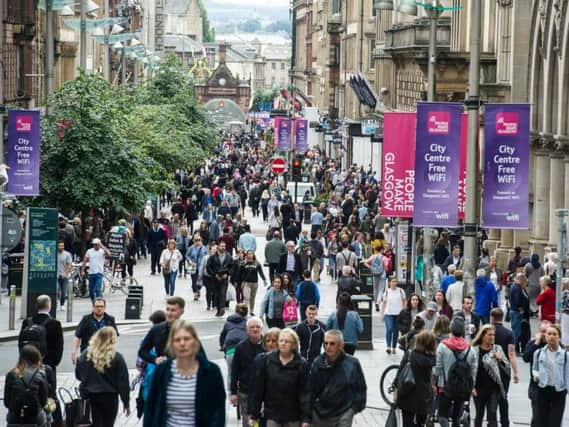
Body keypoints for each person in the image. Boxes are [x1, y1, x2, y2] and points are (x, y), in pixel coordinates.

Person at [143, 319, 226, 427]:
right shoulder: (162, 370)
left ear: (195, 342)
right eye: (177, 340)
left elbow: (218, 412)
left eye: (186, 339)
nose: (182, 343)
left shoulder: (211, 371)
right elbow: (151, 408)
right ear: (171, 344)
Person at [251, 328, 311, 427]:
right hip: (272, 415)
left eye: (287, 341)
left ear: (294, 345)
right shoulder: (268, 361)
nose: (283, 343)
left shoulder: (301, 364)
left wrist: (306, 419)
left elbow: (305, 393)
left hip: (293, 416)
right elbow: (259, 389)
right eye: (281, 341)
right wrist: (254, 414)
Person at [309, 330, 367, 426]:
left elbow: (360, 389)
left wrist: (352, 411)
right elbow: (310, 390)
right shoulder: (317, 362)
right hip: (319, 414)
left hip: (343, 414)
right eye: (325, 343)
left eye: (332, 344)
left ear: (341, 345)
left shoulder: (352, 363)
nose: (328, 347)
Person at [75, 327, 130, 426]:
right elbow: (123, 382)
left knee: (91, 424)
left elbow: (78, 375)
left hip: (89, 396)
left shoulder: (85, 355)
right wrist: (126, 402)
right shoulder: (117, 357)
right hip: (109, 397)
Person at [433, 317, 477, 427]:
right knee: (457, 417)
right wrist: (472, 387)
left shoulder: (442, 346)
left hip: (444, 387)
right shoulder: (470, 349)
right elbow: (473, 371)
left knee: (442, 416)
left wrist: (433, 383)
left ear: (451, 330)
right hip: (462, 388)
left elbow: (437, 368)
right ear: (463, 331)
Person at [394, 331, 437, 427]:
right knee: (420, 423)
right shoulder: (432, 359)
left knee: (407, 422)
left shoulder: (410, 355)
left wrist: (395, 387)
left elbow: (400, 371)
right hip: (424, 397)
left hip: (408, 394)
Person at [471, 325, 510, 427]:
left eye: (493, 335)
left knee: (492, 414)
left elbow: (507, 368)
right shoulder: (474, 350)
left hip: (494, 388)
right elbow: (469, 370)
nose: (492, 337)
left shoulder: (497, 349)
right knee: (479, 414)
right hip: (479, 388)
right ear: (483, 336)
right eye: (489, 335)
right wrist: (472, 386)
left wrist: (500, 360)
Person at [531, 324, 569, 427]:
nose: (551, 336)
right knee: (541, 422)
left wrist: (566, 389)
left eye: (554, 334)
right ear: (546, 336)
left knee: (555, 422)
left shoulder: (565, 355)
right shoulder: (538, 353)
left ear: (559, 337)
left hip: (559, 391)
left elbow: (567, 374)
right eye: (549, 334)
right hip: (543, 389)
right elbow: (534, 368)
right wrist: (536, 375)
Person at [4, 345, 50, 427]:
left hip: (15, 418)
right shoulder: (40, 374)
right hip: (35, 418)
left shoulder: (11, 374)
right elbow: (43, 402)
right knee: (47, 415)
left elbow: (7, 402)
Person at [230, 317, 264, 427]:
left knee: (262, 421)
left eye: (257, 327)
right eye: (252, 327)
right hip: (246, 391)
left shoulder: (268, 345)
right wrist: (233, 392)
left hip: (265, 392)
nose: (255, 329)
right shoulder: (240, 348)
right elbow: (234, 371)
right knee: (249, 422)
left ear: (262, 329)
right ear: (247, 330)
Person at [18, 295, 64, 374]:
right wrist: (54, 363)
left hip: (28, 363)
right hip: (48, 363)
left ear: (37, 306)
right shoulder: (55, 323)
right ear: (49, 305)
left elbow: (20, 342)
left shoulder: (27, 322)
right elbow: (59, 346)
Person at [490, 308, 519, 427]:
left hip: (490, 369)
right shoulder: (509, 333)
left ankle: (492, 422)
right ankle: (504, 422)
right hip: (504, 369)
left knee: (490, 397)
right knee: (503, 397)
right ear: (502, 317)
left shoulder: (488, 332)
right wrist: (516, 372)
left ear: (492, 317)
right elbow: (511, 354)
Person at [247, 327, 281, 424]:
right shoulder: (259, 359)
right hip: (262, 408)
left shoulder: (287, 361)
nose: (270, 343)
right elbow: (253, 387)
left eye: (274, 341)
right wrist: (251, 411)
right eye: (268, 341)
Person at [138, 297, 185, 365]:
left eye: (173, 310)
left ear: (182, 312)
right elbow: (142, 351)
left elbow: (199, 355)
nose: (169, 313)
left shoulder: (187, 330)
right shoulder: (156, 329)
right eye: (167, 309)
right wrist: (155, 359)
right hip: (164, 372)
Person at [72, 297, 118, 364]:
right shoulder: (86, 319)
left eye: (101, 306)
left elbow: (114, 337)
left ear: (105, 307)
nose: (99, 309)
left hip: (105, 354)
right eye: (97, 306)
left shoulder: (110, 319)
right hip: (88, 354)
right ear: (93, 307)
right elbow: (77, 336)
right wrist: (74, 352)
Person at [523, 320, 551, 427]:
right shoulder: (533, 343)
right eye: (542, 331)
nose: (544, 334)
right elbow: (526, 358)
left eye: (547, 331)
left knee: (549, 417)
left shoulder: (554, 345)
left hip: (550, 386)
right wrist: (536, 343)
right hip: (536, 386)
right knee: (537, 417)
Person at [220, 303, 248, 392]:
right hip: (243, 350)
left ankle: (231, 394)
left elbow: (222, 337)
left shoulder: (228, 322)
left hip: (230, 350)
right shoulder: (247, 324)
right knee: (245, 372)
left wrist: (223, 347)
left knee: (231, 373)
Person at [206, 240, 234, 317]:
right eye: (222, 246)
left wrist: (227, 274)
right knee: (217, 294)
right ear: (218, 246)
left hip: (224, 277)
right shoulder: (212, 257)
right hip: (215, 278)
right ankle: (218, 309)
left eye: (224, 246)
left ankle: (222, 308)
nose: (223, 247)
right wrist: (214, 275)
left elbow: (232, 267)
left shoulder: (228, 256)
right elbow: (208, 267)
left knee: (223, 293)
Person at [381, 276, 407, 354]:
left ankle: (394, 347)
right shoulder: (387, 292)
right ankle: (388, 346)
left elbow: (404, 301)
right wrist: (382, 313)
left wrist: (404, 310)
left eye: (395, 281)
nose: (394, 283)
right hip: (388, 313)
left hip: (398, 314)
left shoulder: (401, 291)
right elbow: (384, 303)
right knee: (389, 329)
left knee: (395, 331)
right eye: (392, 281)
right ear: (389, 283)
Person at [239, 250, 268, 315]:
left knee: (252, 297)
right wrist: (240, 282)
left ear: (253, 255)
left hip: (254, 283)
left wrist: (264, 280)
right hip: (246, 283)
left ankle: (251, 310)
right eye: (248, 254)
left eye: (251, 254)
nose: (250, 255)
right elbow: (240, 273)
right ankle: (245, 311)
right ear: (246, 255)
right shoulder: (243, 263)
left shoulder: (257, 263)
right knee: (246, 297)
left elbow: (261, 272)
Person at [81, 237, 110, 302]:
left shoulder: (102, 251)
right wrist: (82, 270)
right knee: (91, 292)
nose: (95, 246)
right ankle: (94, 304)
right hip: (91, 273)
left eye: (97, 244)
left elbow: (109, 253)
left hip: (99, 273)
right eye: (94, 244)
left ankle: (99, 303)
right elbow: (84, 261)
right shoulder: (89, 251)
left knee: (97, 289)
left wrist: (102, 246)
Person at [509, 273, 530, 353]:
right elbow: (518, 301)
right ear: (521, 280)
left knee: (516, 330)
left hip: (515, 312)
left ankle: (516, 348)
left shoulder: (516, 287)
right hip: (517, 313)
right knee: (516, 332)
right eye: (524, 281)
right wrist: (521, 310)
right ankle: (514, 349)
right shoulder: (517, 288)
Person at [57, 240, 72, 311]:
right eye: (60, 246)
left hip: (64, 275)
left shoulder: (67, 254)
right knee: (56, 289)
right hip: (56, 275)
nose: (61, 247)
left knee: (63, 292)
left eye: (62, 246)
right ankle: (56, 303)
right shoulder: (54, 254)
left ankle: (62, 304)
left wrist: (65, 273)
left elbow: (69, 265)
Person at [562, 278, 569, 349]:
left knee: (565, 332)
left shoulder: (565, 293)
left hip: (566, 315)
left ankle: (566, 347)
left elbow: (563, 305)